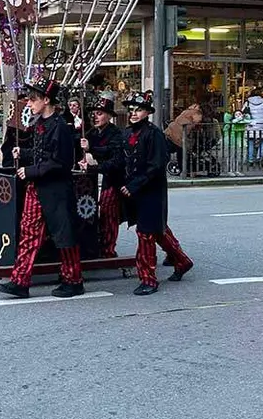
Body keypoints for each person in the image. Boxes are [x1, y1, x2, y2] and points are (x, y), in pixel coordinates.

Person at [0, 76, 84, 299]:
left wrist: (31, 170)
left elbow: (61, 162)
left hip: (56, 191)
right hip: (38, 188)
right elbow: (41, 154)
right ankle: (20, 281)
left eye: (33, 99)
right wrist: (23, 155)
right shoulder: (40, 124)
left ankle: (73, 280)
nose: (29, 103)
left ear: (46, 99)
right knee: (28, 233)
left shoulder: (61, 127)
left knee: (64, 237)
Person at [121, 91, 193, 296]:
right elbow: (120, 159)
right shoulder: (127, 133)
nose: (134, 113)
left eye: (139, 110)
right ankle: (182, 261)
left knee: (146, 234)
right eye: (131, 109)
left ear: (147, 112)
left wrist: (134, 185)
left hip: (151, 192)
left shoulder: (154, 134)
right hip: (136, 193)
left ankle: (148, 279)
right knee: (157, 231)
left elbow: (156, 166)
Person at [79, 95, 124, 258]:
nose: (95, 117)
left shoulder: (116, 133)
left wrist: (93, 150)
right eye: (94, 113)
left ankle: (108, 249)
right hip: (91, 180)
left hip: (111, 179)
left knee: (108, 213)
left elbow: (113, 154)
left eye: (100, 113)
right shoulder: (91, 132)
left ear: (109, 115)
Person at [242, 88, 263, 165]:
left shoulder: (247, 103)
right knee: (262, 141)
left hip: (250, 124)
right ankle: (259, 157)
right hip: (261, 124)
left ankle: (250, 159)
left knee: (250, 142)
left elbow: (242, 113)